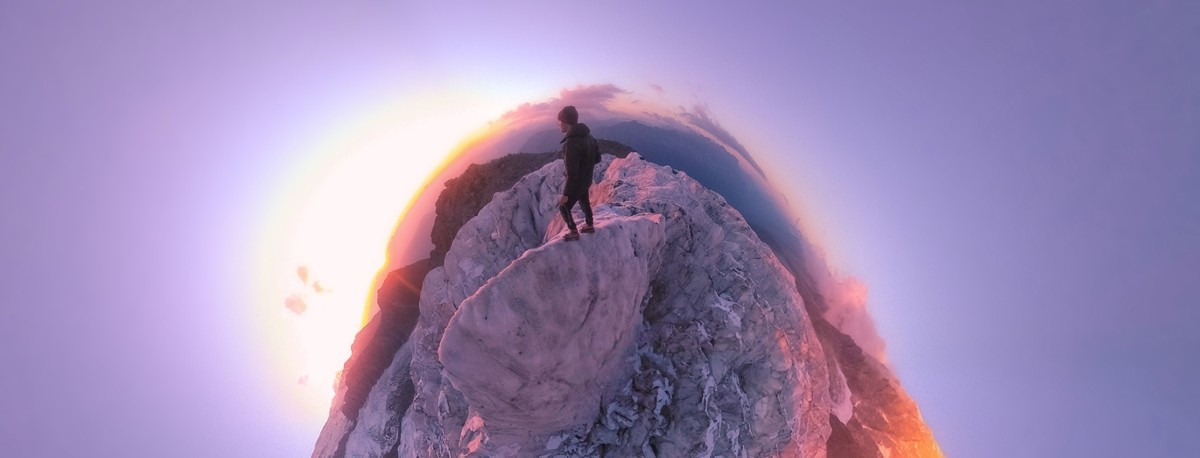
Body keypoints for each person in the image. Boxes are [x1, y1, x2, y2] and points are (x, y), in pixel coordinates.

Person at [556, 105, 600, 241]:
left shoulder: (570, 144)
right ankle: (589, 225)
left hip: (576, 183)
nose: (559, 126)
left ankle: (573, 231)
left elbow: (572, 174)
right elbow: (598, 158)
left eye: (560, 122)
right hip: (586, 180)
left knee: (563, 206)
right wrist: (586, 166)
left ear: (565, 122)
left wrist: (565, 195)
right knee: (584, 201)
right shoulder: (590, 137)